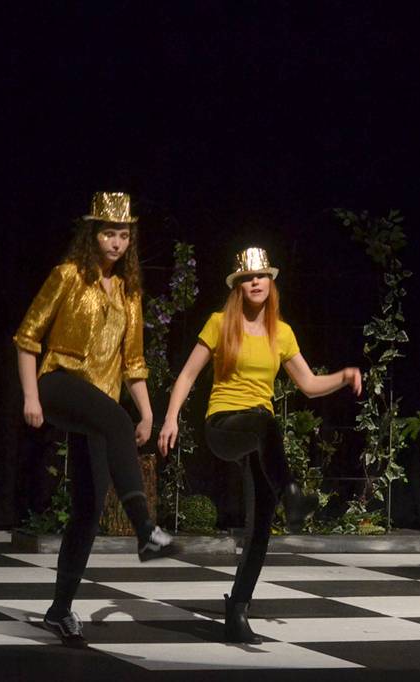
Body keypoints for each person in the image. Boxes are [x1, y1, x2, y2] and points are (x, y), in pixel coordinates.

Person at [158, 247, 361, 643]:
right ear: (238, 286)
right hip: (224, 426)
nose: (256, 283)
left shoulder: (281, 332)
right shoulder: (219, 323)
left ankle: (237, 611)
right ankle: (292, 494)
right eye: (248, 278)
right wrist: (170, 419)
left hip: (261, 439)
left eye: (262, 277)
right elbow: (186, 376)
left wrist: (342, 375)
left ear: (271, 284)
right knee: (264, 420)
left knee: (260, 527)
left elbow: (308, 384)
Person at [14, 191, 175, 647]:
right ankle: (146, 530)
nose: (117, 242)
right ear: (93, 234)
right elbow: (27, 337)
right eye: (109, 232)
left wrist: (148, 412)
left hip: (100, 406)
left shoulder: (130, 292)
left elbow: (134, 362)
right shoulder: (68, 275)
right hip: (58, 381)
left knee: (88, 509)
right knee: (117, 423)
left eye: (124, 234)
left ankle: (59, 610)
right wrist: (31, 396)